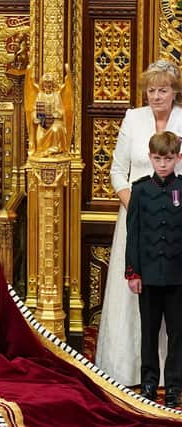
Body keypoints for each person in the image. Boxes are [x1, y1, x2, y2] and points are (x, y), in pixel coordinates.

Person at [96, 59, 182, 387]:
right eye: (151, 90)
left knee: (174, 299)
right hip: (136, 217)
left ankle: (172, 374)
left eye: (162, 90)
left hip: (174, 220)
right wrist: (137, 205)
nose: (155, 96)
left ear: (174, 91)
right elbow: (118, 170)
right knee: (138, 292)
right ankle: (132, 370)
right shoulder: (134, 118)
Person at [125, 130, 182, 408]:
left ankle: (173, 387)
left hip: (177, 276)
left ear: (177, 158)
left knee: (177, 334)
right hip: (147, 276)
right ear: (150, 158)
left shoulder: (181, 189)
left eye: (168, 159)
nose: (163, 164)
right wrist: (132, 272)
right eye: (158, 158)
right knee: (148, 333)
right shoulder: (140, 190)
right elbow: (133, 233)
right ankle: (148, 383)